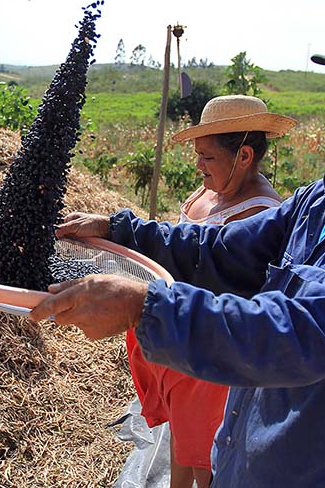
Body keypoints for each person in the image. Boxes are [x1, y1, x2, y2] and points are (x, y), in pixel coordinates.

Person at [30, 21, 325, 487]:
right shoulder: (323, 199)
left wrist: (147, 307)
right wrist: (120, 229)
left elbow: (307, 332)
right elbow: (221, 250)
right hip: (246, 463)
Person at [117, 95, 295, 488]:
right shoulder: (208, 193)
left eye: (208, 157)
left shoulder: (259, 214)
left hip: (211, 352)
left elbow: (231, 288)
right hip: (180, 334)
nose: (198, 165)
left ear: (244, 156)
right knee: (182, 439)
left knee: (207, 457)